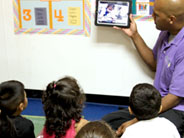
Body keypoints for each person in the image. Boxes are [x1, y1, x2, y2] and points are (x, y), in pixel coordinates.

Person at [102, 0, 184, 136]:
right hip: (155, 103)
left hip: (177, 109)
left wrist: (135, 121)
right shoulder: (166, 33)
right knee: (107, 122)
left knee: (137, 131)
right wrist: (134, 35)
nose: (152, 17)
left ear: (171, 19)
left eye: (156, 15)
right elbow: (154, 64)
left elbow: (174, 97)